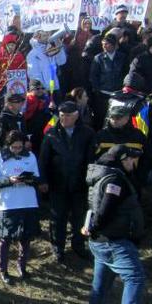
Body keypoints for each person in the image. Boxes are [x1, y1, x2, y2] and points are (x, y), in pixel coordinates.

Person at [83, 145, 152, 304]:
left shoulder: (101, 175)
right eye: (132, 160)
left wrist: (91, 228)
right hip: (114, 241)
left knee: (100, 285)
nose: (135, 163)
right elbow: (106, 208)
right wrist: (95, 226)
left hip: (101, 240)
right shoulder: (115, 179)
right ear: (124, 160)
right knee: (135, 277)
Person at [38, 101, 95, 263]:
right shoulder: (51, 134)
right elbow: (43, 160)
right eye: (61, 116)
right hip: (58, 184)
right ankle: (58, 247)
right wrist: (43, 180)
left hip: (79, 183)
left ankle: (78, 245)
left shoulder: (87, 133)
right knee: (58, 218)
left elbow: (91, 158)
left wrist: (90, 180)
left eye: (68, 116)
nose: (64, 119)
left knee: (79, 217)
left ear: (76, 115)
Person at [0, 130, 41, 284]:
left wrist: (28, 179)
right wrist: (9, 180)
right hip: (8, 203)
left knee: (26, 237)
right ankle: (3, 270)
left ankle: (22, 266)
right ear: (9, 145)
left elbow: (37, 178)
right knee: (5, 238)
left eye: (20, 147)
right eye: (14, 147)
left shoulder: (30, 156)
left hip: (28, 202)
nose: (18, 149)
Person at [92, 104, 149, 190]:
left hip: (132, 178)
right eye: (112, 117)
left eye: (118, 118)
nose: (114, 120)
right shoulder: (101, 135)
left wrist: (140, 177)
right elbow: (94, 159)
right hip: (107, 179)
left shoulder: (138, 136)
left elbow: (147, 157)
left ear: (127, 118)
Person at [89, 33, 127, 127]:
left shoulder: (122, 57)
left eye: (107, 44)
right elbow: (93, 76)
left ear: (114, 45)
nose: (104, 46)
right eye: (103, 44)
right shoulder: (98, 58)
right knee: (101, 117)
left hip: (118, 93)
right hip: (103, 94)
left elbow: (125, 73)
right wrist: (97, 90)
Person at [26, 30, 67, 107]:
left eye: (48, 34)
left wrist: (59, 47)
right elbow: (34, 74)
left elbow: (62, 61)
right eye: (44, 35)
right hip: (43, 91)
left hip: (54, 88)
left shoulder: (51, 48)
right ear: (37, 37)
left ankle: (55, 119)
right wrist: (42, 90)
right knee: (46, 116)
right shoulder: (32, 54)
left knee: (56, 115)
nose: (48, 37)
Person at [23, 78, 52, 153]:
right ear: (31, 90)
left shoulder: (46, 99)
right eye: (37, 88)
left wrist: (53, 110)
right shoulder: (28, 100)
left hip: (43, 132)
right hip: (31, 132)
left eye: (42, 88)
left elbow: (51, 118)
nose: (40, 90)